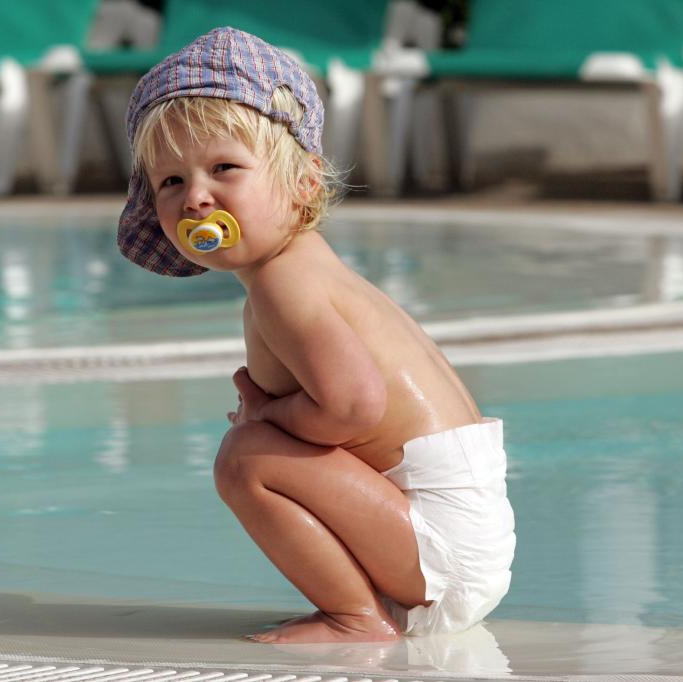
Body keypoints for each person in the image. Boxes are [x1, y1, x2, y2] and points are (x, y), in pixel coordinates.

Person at [117, 26, 516, 644]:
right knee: (260, 448)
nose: (197, 197)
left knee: (246, 459)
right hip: (452, 542)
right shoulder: (303, 267)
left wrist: (270, 417)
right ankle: (364, 604)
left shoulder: (285, 284)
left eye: (224, 168)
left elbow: (354, 406)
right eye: (170, 181)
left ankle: (355, 618)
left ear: (303, 183)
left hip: (442, 552)